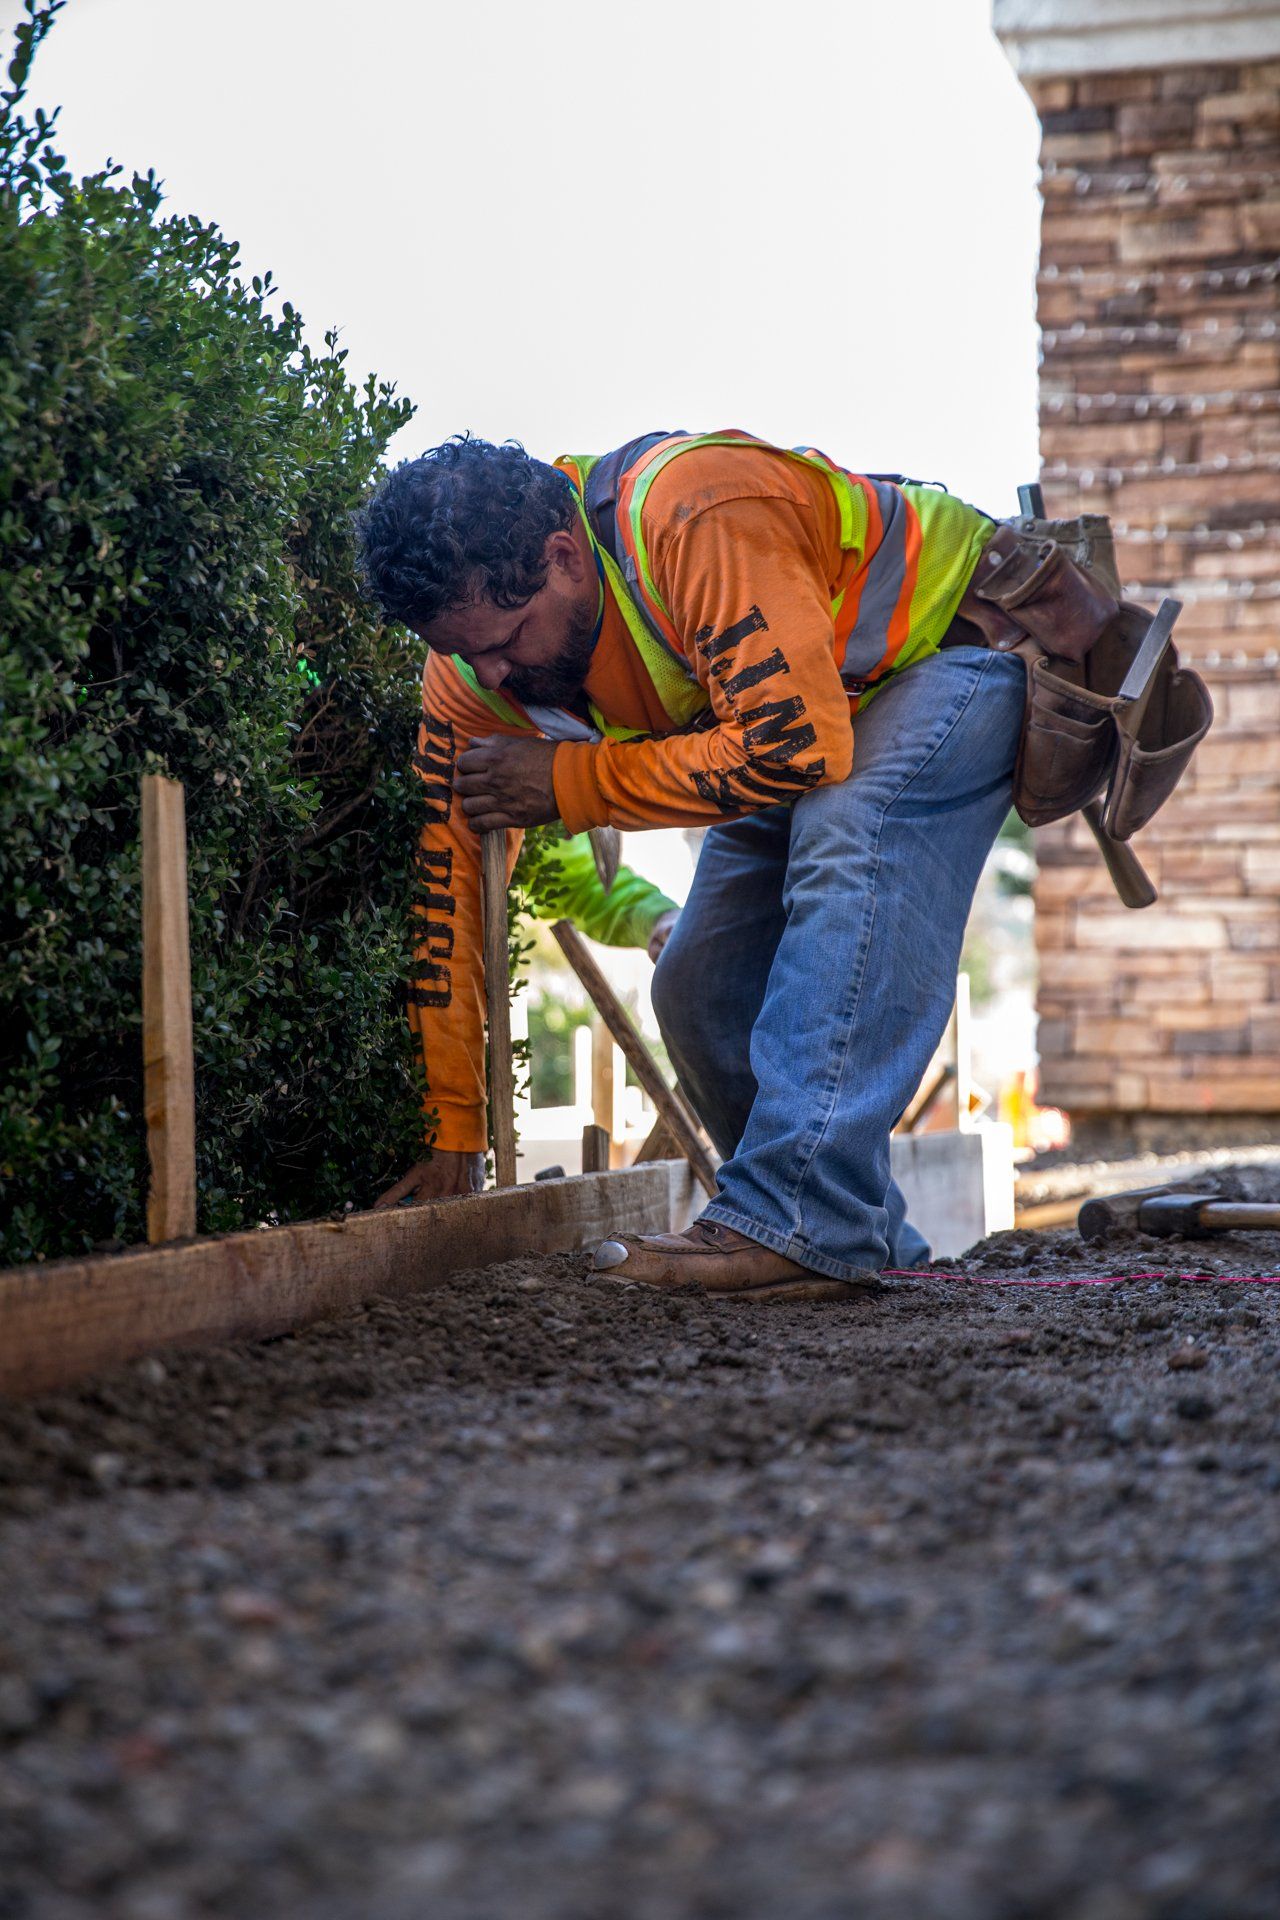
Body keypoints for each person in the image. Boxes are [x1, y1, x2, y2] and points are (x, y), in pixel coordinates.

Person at [356, 429, 1026, 1301]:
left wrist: (570, 782)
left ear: (563, 556)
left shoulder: (693, 512)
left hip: (945, 655)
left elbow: (797, 753)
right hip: (785, 726)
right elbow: (445, 888)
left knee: (850, 834)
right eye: (465, 651)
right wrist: (452, 1131)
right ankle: (864, 1241)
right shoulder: (470, 673)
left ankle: (800, 1218)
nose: (492, 673)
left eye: (510, 638)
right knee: (696, 983)